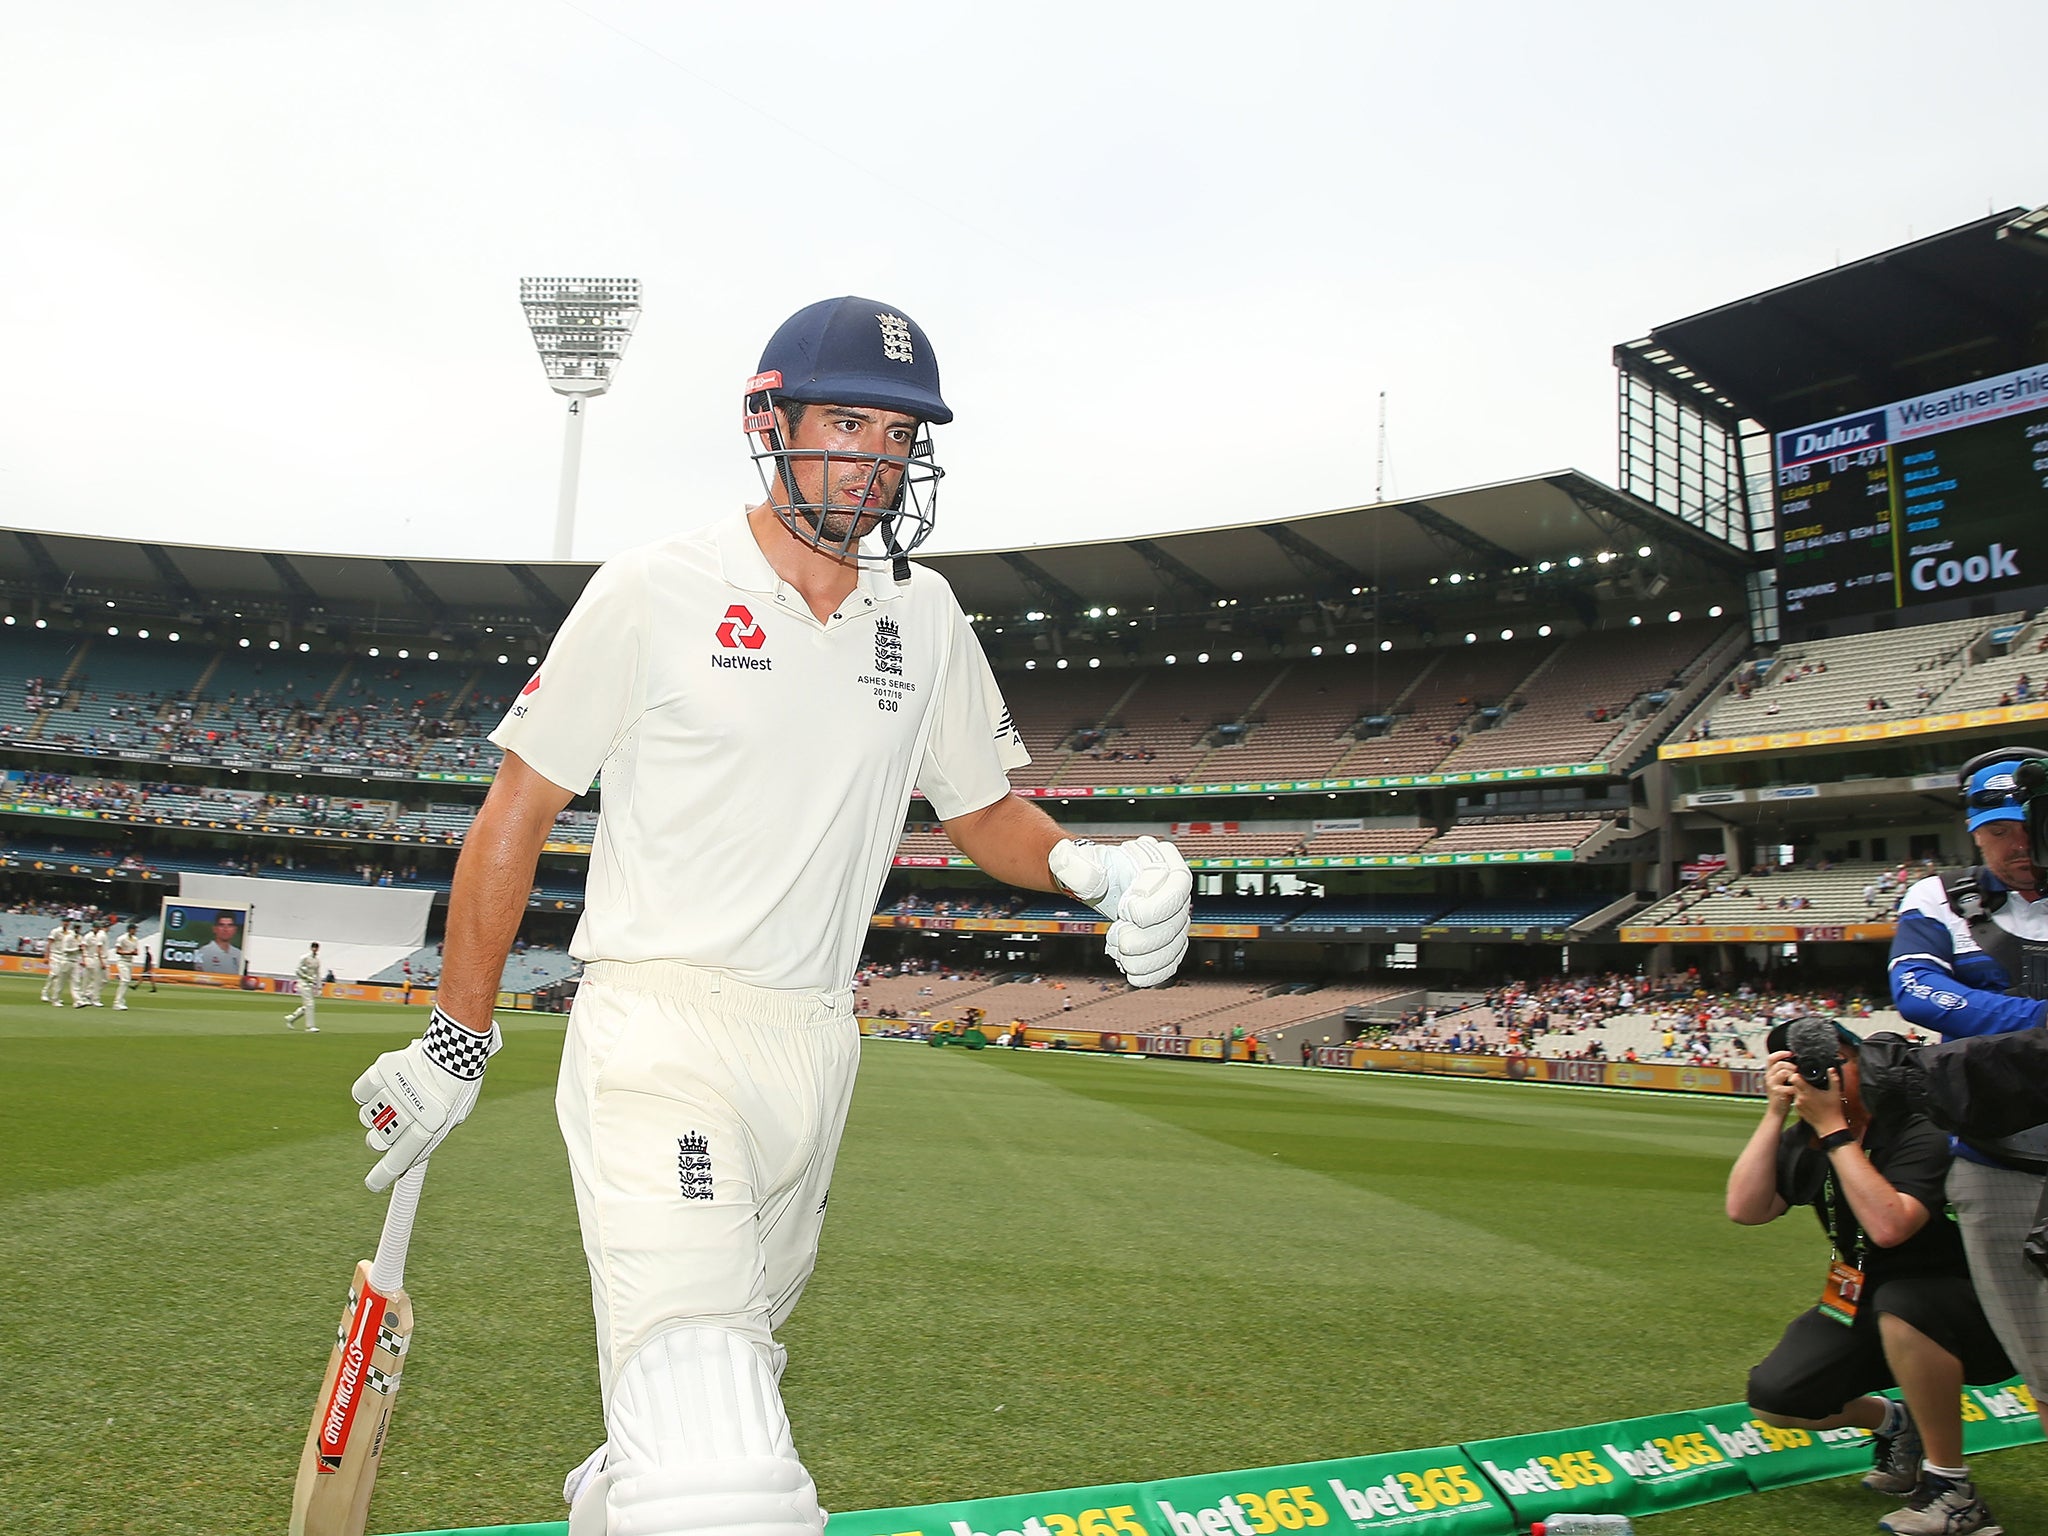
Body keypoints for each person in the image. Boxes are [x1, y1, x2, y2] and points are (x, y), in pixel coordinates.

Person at [343, 297, 1193, 1536]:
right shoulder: (655, 588)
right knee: (719, 1466)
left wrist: (1094, 869)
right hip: (658, 1032)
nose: (878, 460)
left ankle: (614, 1493)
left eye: (902, 436)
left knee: (707, 1399)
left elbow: (980, 807)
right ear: (769, 422)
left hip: (813, 1048)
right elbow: (513, 814)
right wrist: (458, 1038)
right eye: (848, 422)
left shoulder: (926, 616)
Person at [1727, 1019, 2012, 1535]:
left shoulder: (1918, 1126)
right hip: (1859, 1294)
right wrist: (1774, 1114)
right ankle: (1896, 1425)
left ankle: (1953, 1491)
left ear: (1867, 1063)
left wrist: (1836, 1132)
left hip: (1972, 1305)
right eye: (1798, 1064)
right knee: (1776, 1395)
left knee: (1905, 1304)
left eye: (1834, 1060)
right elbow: (1746, 1209)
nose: (1818, 1075)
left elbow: (1889, 1227)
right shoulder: (1805, 1140)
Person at [1887, 747, 2048, 1435]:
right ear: (1975, 830)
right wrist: (2037, 1021)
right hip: (1996, 1165)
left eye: (2031, 827)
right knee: (2039, 1359)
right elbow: (1917, 991)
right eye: (2002, 829)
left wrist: (1992, 1016)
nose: (2021, 844)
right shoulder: (1937, 898)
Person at [284, 941, 323, 1032]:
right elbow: (297, 970)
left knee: (307, 1006)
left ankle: (291, 1018)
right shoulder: (304, 958)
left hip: (310, 984)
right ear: (311, 948)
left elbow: (317, 974)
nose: (315, 949)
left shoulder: (317, 961)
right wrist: (306, 977)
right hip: (303, 983)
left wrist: (319, 987)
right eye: (313, 947)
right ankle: (310, 1027)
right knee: (310, 1004)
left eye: (316, 947)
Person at [192, 911, 244, 975]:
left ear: (234, 930)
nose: (225, 929)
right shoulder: (203, 951)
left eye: (230, 926)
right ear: (215, 929)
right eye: (221, 925)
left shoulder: (239, 954)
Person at [40, 915, 71, 1006]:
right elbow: (49, 944)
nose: (66, 923)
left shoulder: (70, 933)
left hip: (64, 956)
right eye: (65, 921)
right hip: (55, 955)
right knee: (54, 974)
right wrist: (46, 956)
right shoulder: (56, 931)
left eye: (68, 922)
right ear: (62, 922)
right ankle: (45, 992)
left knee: (60, 977)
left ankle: (55, 996)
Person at [111, 921, 141, 1010]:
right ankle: (117, 1003)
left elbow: (136, 951)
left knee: (126, 981)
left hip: (130, 962)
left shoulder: (135, 939)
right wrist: (128, 953)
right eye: (134, 929)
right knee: (125, 980)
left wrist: (134, 953)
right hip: (122, 961)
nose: (135, 931)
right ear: (130, 930)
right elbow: (117, 951)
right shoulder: (122, 938)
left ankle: (121, 1001)